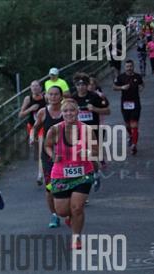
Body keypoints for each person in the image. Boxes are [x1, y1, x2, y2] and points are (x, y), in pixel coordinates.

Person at [44, 98, 98, 249]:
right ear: (61, 113)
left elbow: (96, 150)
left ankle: (76, 237)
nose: (69, 113)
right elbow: (47, 145)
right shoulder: (55, 130)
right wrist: (53, 155)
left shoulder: (86, 130)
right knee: (61, 211)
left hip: (83, 174)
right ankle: (70, 218)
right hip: (61, 174)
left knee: (77, 208)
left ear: (78, 112)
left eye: (72, 110)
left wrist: (87, 152)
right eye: (65, 111)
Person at [30, 85, 64, 228]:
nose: (53, 97)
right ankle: (54, 215)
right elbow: (35, 128)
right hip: (48, 155)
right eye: (50, 94)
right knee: (50, 187)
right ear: (47, 96)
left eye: (56, 94)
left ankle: (68, 210)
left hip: (66, 155)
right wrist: (32, 137)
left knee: (66, 185)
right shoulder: (43, 112)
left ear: (61, 96)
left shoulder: (66, 111)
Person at [70, 72, 110, 191]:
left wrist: (95, 109)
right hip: (78, 131)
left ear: (87, 85)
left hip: (94, 130)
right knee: (80, 156)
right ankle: (84, 179)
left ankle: (95, 174)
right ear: (75, 86)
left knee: (91, 156)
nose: (81, 87)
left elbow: (107, 111)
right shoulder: (73, 98)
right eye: (78, 85)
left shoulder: (94, 96)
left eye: (83, 85)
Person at [112, 60, 145, 154]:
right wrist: (121, 87)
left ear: (133, 66)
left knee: (134, 124)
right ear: (125, 67)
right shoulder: (121, 77)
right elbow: (114, 87)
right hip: (125, 103)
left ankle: (134, 145)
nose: (129, 68)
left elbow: (142, 84)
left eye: (130, 66)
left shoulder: (137, 76)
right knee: (127, 124)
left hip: (136, 103)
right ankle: (131, 136)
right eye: (127, 66)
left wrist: (141, 88)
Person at [18, 80, 47, 185]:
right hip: (32, 127)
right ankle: (43, 167)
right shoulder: (28, 99)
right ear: (30, 88)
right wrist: (30, 109)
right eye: (32, 86)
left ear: (40, 87)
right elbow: (20, 115)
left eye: (36, 86)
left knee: (41, 151)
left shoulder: (45, 97)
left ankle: (40, 175)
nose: (34, 88)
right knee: (37, 150)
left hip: (42, 127)